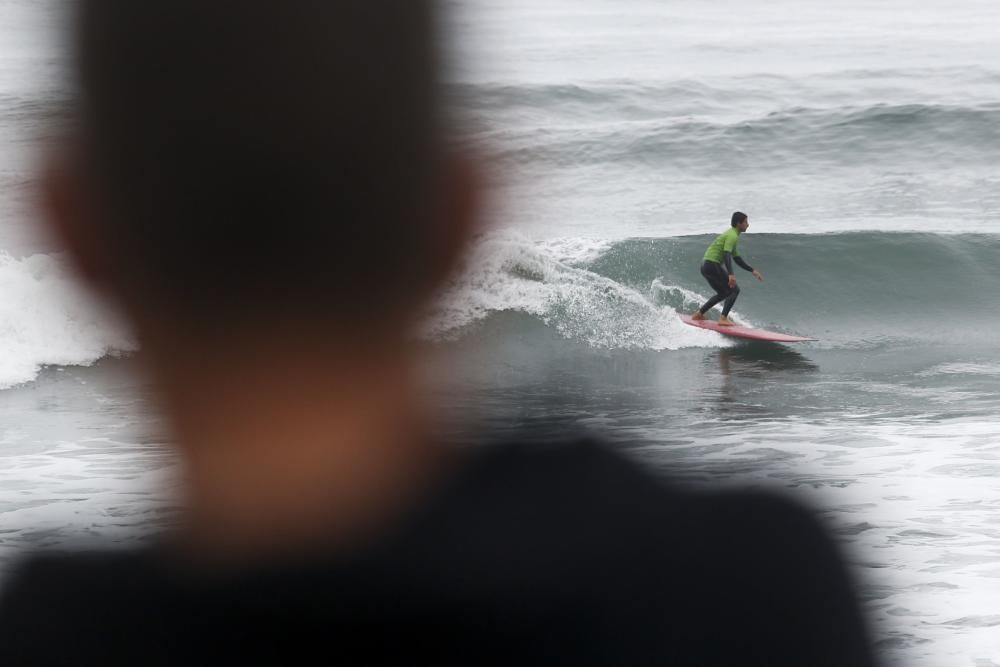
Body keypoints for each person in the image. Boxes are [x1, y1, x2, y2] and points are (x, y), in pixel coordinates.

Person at [0, 2, 877, 665]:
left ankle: (717, 314)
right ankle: (716, 314)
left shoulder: (42, 634)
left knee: (722, 294)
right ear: (464, 209)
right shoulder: (751, 591)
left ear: (69, 228)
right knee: (719, 293)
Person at [692, 211, 764, 326]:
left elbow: (736, 258)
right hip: (712, 264)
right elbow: (726, 254)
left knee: (723, 293)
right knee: (734, 290)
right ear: (738, 223)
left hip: (706, 265)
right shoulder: (732, 235)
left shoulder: (732, 235)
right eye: (745, 222)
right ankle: (723, 318)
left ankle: (699, 314)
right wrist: (731, 274)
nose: (748, 224)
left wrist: (752, 270)